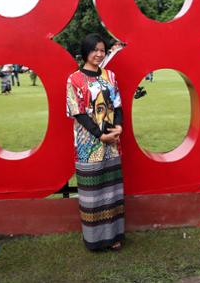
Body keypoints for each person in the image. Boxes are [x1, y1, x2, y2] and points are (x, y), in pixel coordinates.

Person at [67, 33, 124, 251]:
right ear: (86, 51)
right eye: (95, 50)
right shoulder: (74, 79)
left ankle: (114, 237)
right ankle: (95, 239)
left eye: (102, 50)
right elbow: (78, 113)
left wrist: (118, 127)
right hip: (87, 145)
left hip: (113, 143)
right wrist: (99, 135)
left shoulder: (110, 75)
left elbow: (117, 105)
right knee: (93, 192)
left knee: (112, 190)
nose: (99, 54)